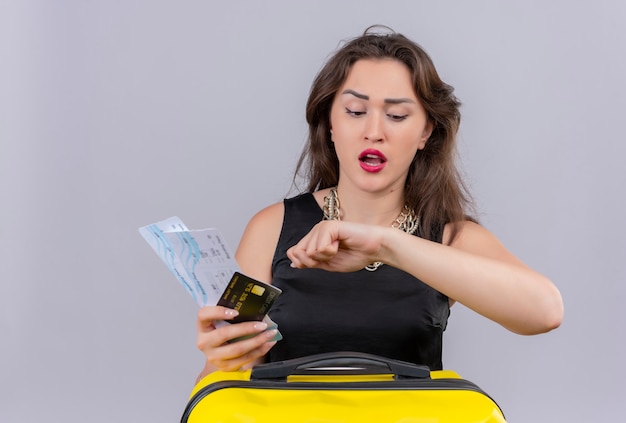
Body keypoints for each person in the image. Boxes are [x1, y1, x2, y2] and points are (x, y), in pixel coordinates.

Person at [195, 26, 563, 380]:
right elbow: (227, 386)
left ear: (425, 131)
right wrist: (220, 358)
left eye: (397, 115)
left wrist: (385, 245)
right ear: (330, 124)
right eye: (355, 112)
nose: (374, 131)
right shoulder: (272, 227)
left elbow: (544, 312)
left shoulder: (451, 235)